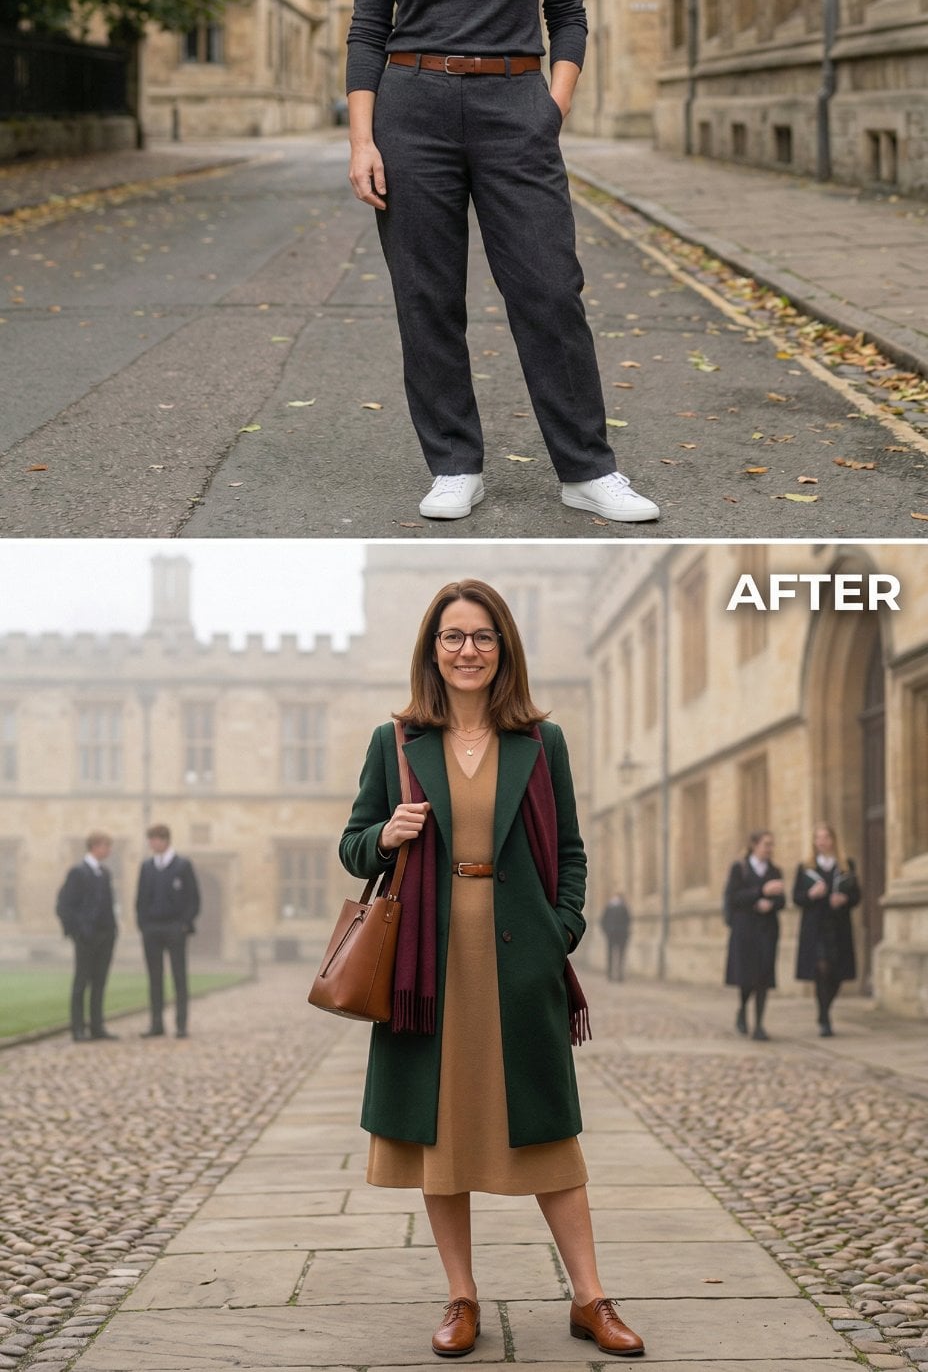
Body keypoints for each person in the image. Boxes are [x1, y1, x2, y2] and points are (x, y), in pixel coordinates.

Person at [345, 0, 659, 528]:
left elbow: (570, 16)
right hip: (411, 111)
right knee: (427, 296)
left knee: (549, 288)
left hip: (515, 106)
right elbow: (366, 31)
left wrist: (551, 107)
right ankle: (454, 465)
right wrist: (362, 140)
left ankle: (588, 471)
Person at [339, 580, 644, 1360]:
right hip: (426, 965)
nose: (467, 650)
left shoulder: (542, 742)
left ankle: (590, 1297)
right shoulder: (394, 741)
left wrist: (560, 932)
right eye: (453, 636)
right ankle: (462, 1297)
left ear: (503, 648)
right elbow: (352, 845)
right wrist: (385, 835)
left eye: (482, 636)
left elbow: (569, 850)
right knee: (440, 1133)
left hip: (518, 962)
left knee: (549, 1134)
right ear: (432, 649)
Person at [792, 824, 861, 1037]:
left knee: (838, 974)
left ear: (833, 840)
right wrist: (811, 894)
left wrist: (844, 899)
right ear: (814, 842)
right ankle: (824, 1017)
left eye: (826, 837)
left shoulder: (846, 865)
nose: (822, 841)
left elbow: (857, 896)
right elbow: (796, 898)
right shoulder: (805, 868)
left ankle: (825, 1010)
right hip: (815, 927)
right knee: (822, 969)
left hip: (838, 927)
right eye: (818, 838)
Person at [135, 824, 200, 1040]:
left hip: (175, 927)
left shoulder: (182, 865)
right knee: (155, 978)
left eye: (154, 839)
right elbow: (141, 898)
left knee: (179, 977)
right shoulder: (147, 866)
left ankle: (181, 1024)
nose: (152, 844)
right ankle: (156, 1023)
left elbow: (193, 898)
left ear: (165, 840)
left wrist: (184, 924)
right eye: (150, 840)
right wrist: (143, 924)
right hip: (152, 928)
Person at [55, 831, 119, 1043]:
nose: (109, 851)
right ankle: (78, 1028)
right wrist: (76, 932)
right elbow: (64, 905)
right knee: (81, 982)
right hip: (86, 936)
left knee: (99, 982)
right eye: (106, 846)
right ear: (95, 846)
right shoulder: (78, 872)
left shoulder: (104, 873)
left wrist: (113, 930)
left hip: (105, 935)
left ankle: (97, 1026)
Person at [723, 829, 784, 1041]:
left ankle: (759, 1025)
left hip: (767, 930)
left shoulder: (775, 870)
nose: (769, 849)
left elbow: (782, 900)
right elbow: (734, 897)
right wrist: (760, 893)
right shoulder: (740, 869)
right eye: (766, 844)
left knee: (763, 978)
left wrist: (772, 904)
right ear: (754, 845)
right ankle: (742, 1009)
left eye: (771, 845)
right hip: (745, 930)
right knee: (747, 977)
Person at [600, 891, 631, 982]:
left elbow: (603, 921)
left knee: (613, 955)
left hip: (613, 934)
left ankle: (612, 974)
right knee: (619, 955)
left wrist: (607, 931)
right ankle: (617, 975)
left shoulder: (611, 907)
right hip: (619, 934)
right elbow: (628, 921)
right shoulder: (622, 907)